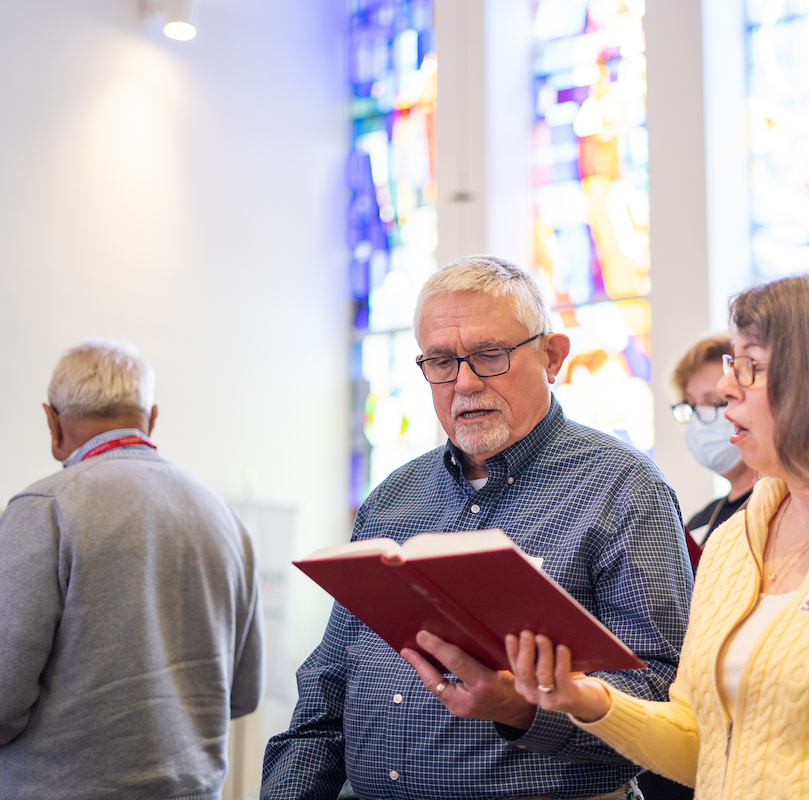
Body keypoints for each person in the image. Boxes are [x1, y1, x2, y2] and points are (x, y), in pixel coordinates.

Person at [504, 272, 809, 800]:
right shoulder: (735, 540)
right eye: (734, 364)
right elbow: (701, 744)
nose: (726, 387)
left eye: (752, 367)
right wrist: (588, 699)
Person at [261, 255, 693, 800]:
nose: (463, 383)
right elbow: (329, 689)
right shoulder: (394, 497)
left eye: (489, 355)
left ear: (552, 356)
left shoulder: (622, 488)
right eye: (440, 361)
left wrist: (524, 708)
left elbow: (664, 695)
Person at [0, 340, 263, 800]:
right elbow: (243, 695)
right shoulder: (225, 519)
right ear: (152, 417)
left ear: (52, 421)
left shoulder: (44, 509)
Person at [670, 335, 758, 546]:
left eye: (713, 402)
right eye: (691, 404)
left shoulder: (780, 507)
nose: (700, 418)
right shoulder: (700, 521)